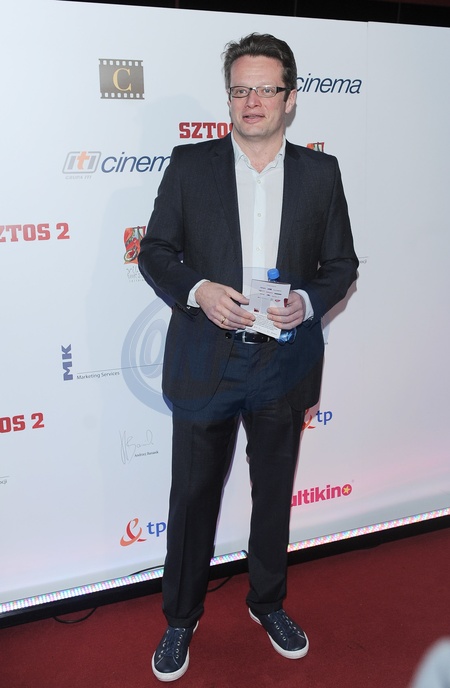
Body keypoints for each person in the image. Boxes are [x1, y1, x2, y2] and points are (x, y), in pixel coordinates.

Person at [138, 32, 358, 682]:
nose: (252, 101)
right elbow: (155, 252)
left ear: (290, 99)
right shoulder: (190, 165)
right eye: (240, 89)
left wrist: (307, 303)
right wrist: (199, 291)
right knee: (192, 498)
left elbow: (341, 265)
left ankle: (268, 603)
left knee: (273, 496)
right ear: (229, 97)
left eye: (265, 89)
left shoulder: (321, 174)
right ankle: (181, 618)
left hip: (283, 363)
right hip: (205, 359)